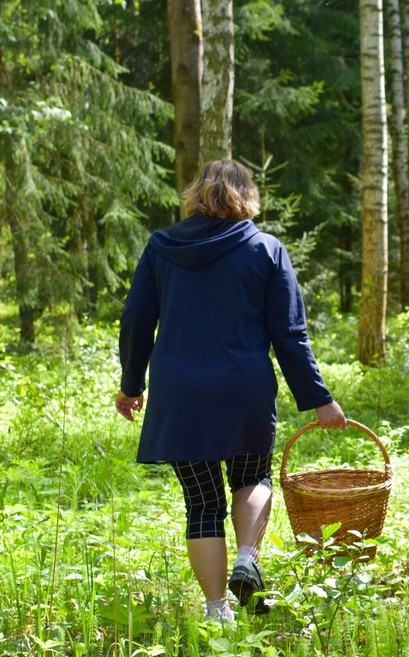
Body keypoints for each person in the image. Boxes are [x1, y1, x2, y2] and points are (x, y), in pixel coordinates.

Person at [115, 159, 347, 622]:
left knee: (201, 503)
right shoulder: (266, 249)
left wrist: (130, 385)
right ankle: (247, 556)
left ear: (196, 193)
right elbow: (290, 333)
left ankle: (216, 609)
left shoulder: (161, 247)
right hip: (244, 390)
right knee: (251, 478)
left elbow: (137, 321)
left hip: (181, 393)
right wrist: (320, 399)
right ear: (247, 195)